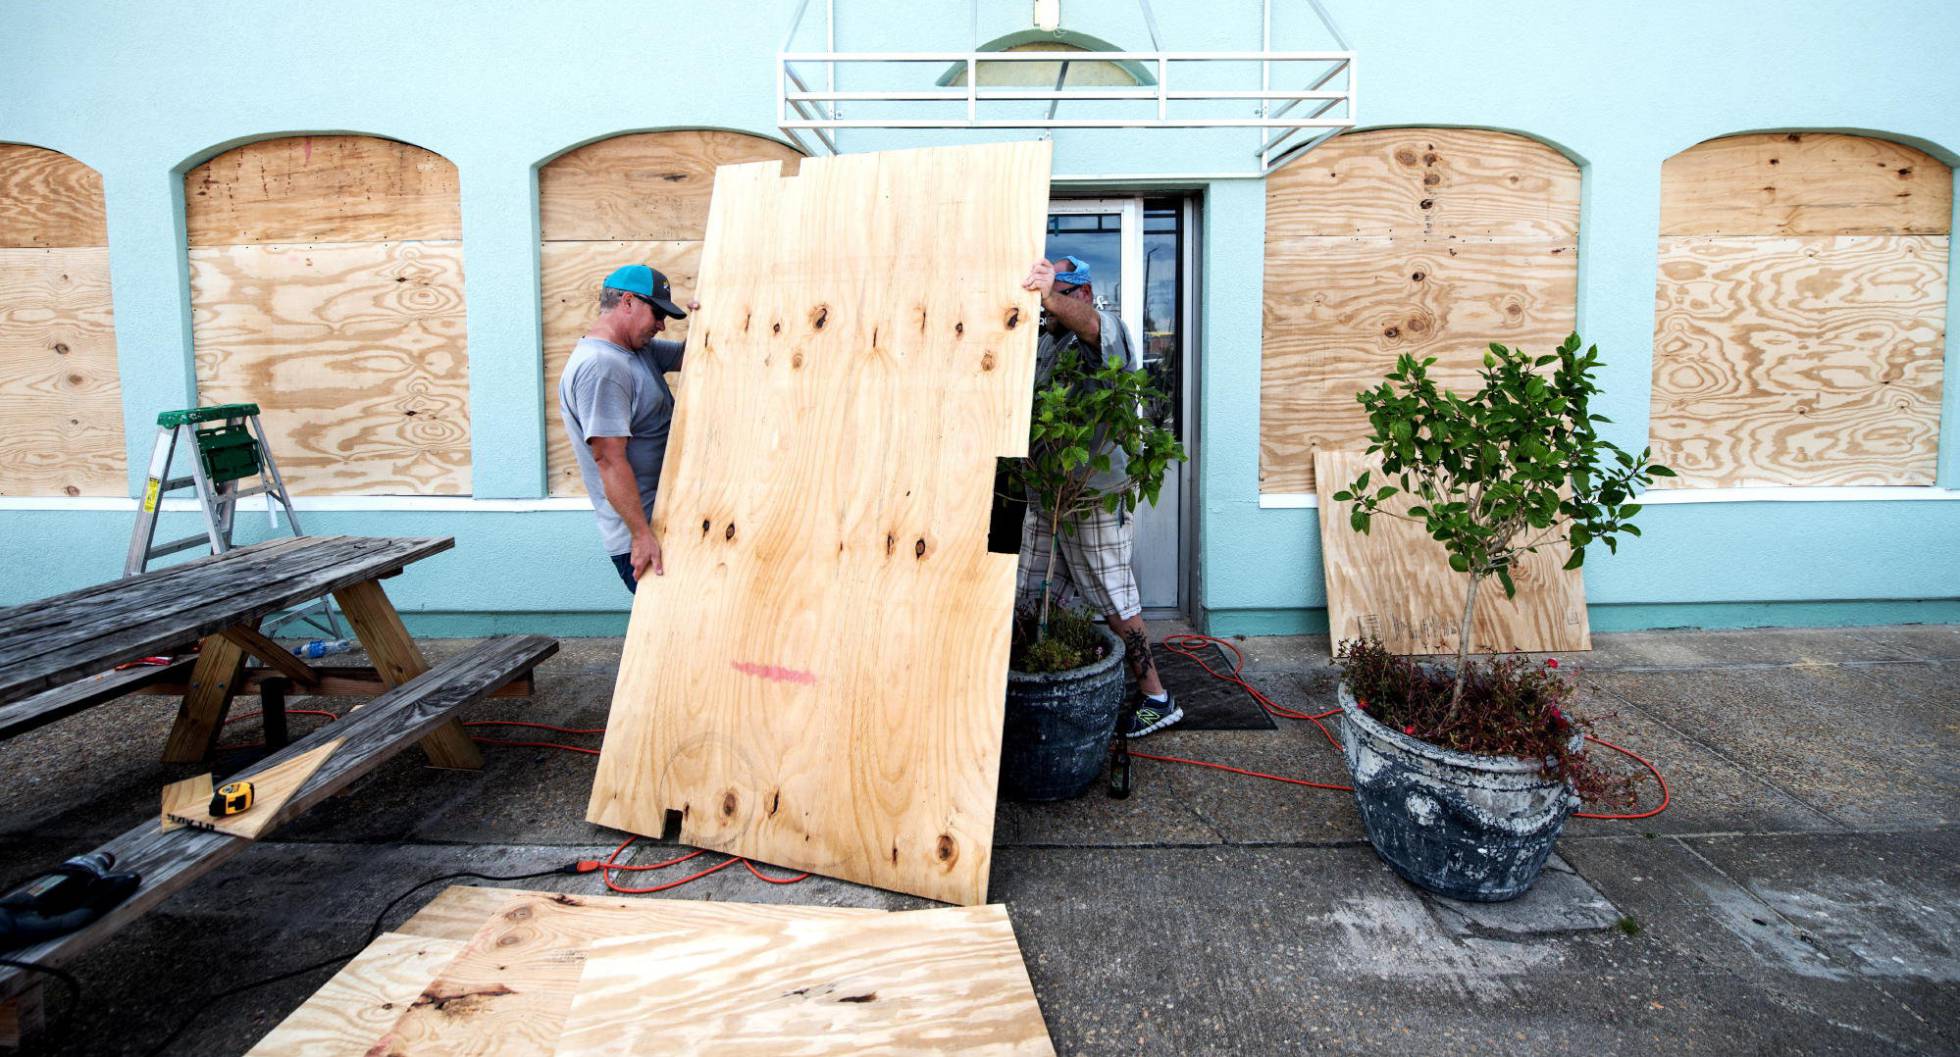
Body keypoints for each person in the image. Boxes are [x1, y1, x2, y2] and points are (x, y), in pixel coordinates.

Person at [1018, 255, 1180, 737]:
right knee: (1031, 588)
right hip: (1049, 494)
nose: (1047, 306)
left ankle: (1156, 695)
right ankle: (1046, 678)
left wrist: (1051, 296)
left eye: (1059, 293)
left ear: (1082, 293)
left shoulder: (1107, 330)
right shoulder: (1047, 341)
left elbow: (1092, 328)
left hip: (1092, 497)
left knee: (1113, 596)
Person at [558, 264, 694, 594]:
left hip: (667, 522)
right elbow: (608, 459)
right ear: (628, 302)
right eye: (657, 314)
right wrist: (642, 535)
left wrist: (716, 313)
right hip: (646, 534)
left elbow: (693, 355)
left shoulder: (636, 351)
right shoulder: (602, 367)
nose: (661, 326)